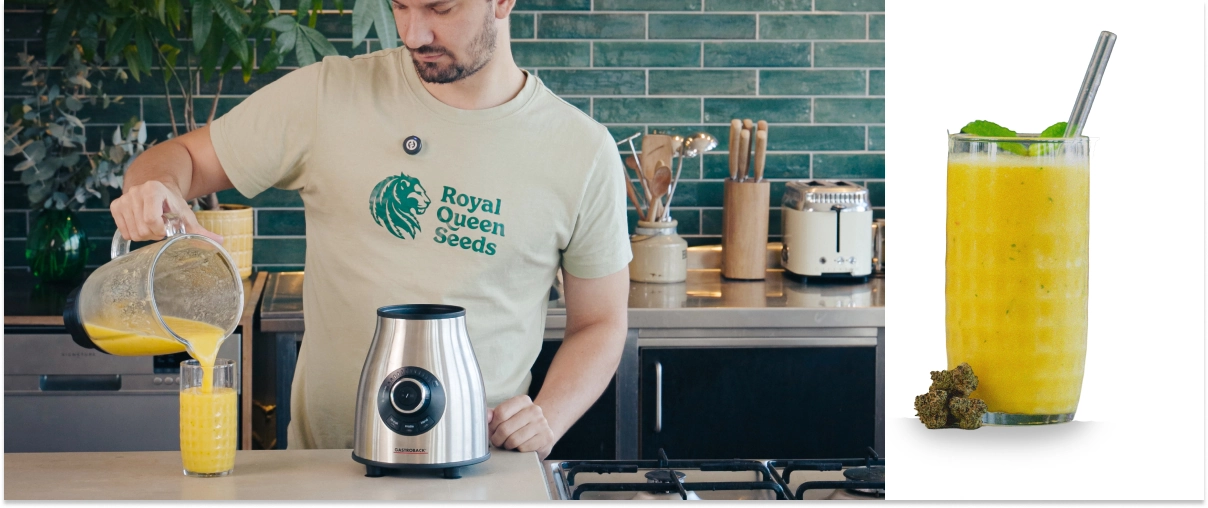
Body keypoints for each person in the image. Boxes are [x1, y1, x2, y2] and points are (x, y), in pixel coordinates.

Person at [109, 0, 631, 459]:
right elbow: (174, 160)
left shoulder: (581, 151)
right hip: (325, 472)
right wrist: (155, 188)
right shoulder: (330, 96)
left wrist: (549, 417)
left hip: (481, 469)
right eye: (400, 7)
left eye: (439, 9)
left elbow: (602, 322)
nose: (413, 34)